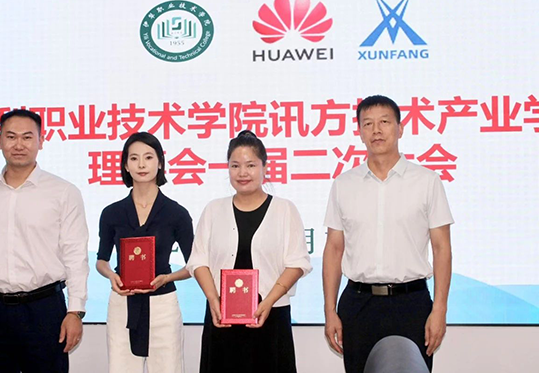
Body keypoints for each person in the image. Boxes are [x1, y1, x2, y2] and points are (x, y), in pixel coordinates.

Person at [322, 95, 454, 373]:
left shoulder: (427, 181)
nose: (376, 130)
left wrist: (440, 309)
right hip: (358, 304)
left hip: (411, 303)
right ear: (360, 132)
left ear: (400, 128)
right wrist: (329, 310)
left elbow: (442, 248)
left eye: (384, 122)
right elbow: (334, 249)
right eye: (368, 124)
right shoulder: (344, 184)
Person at [0, 109, 89, 372]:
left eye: (27, 137)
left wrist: (75, 311)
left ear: (41, 141)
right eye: (11, 136)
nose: (19, 144)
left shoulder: (63, 192)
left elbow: (75, 255)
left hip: (44, 309)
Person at [186, 130, 312, 373]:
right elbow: (198, 260)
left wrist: (269, 301)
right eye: (235, 166)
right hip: (222, 317)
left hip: (271, 315)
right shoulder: (213, 210)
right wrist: (214, 300)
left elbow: (297, 263)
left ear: (265, 167)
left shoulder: (284, 210)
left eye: (250, 165)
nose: (242, 172)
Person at [96, 132, 194, 373]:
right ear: (125, 165)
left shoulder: (177, 213)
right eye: (134, 158)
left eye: (148, 157)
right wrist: (111, 276)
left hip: (163, 303)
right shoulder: (111, 213)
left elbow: (194, 265)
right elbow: (101, 260)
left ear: (160, 162)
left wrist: (167, 278)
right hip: (122, 302)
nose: (141, 164)